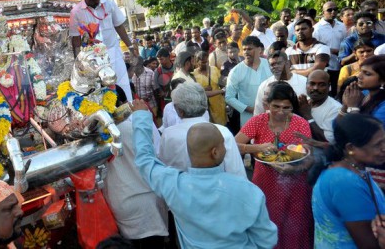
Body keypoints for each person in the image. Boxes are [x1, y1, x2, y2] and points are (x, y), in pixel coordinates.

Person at [133, 100, 277, 249]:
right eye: (223, 144)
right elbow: (266, 239)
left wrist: (141, 117)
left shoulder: (174, 185)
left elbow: (144, 161)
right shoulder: (248, 191)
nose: (226, 148)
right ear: (215, 152)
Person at [236, 82, 314, 249]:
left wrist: (295, 168)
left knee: (294, 228)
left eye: (286, 107)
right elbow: (233, 145)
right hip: (265, 184)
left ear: (292, 106)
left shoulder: (301, 123)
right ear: (267, 105)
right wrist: (257, 147)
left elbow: (309, 157)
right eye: (275, 106)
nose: (280, 112)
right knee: (267, 225)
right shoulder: (258, 121)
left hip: (296, 186)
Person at [103, 87, 168, 248]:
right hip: (148, 200)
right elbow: (157, 155)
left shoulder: (100, 133)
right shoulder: (138, 124)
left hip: (120, 201)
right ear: (125, 104)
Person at [311, 114, 385, 248]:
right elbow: (368, 245)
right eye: (377, 145)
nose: (384, 148)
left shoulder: (354, 170)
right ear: (351, 148)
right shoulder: (345, 182)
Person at [159, 82, 244, 177]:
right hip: (218, 189)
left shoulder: (168, 134)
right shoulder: (222, 132)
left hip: (179, 189)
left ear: (179, 110)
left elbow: (164, 169)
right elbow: (237, 173)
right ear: (205, 106)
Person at [69, 0, 134, 101]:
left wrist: (130, 47)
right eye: (92, 0)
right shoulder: (76, 12)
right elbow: (76, 39)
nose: (95, 2)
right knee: (100, 92)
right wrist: (78, 62)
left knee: (123, 84)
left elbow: (119, 26)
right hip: (93, 60)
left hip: (113, 52)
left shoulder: (109, 4)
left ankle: (129, 116)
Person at [225, 36, 272, 126]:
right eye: (244, 49)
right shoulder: (236, 71)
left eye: (250, 49)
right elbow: (229, 97)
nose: (246, 52)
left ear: (259, 50)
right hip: (249, 118)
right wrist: (249, 109)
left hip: (272, 115)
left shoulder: (269, 65)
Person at [254, 51, 307, 116]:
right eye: (272, 64)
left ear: (288, 63)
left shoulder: (304, 81)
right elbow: (258, 112)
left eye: (279, 63)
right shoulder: (264, 86)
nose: (275, 66)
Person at [297, 70, 342, 144]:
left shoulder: (335, 109)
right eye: (312, 83)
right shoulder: (304, 103)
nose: (315, 88)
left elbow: (328, 141)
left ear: (329, 86)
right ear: (306, 85)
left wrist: (308, 116)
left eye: (321, 84)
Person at [313, 1, 347, 96]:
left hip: (340, 65)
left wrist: (340, 52)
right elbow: (315, 47)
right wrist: (331, 51)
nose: (333, 12)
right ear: (323, 12)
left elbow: (344, 43)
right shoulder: (317, 28)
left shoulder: (342, 26)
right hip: (325, 66)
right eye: (329, 10)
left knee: (338, 91)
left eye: (335, 9)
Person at [193, 51, 226, 125]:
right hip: (204, 106)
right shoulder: (194, 74)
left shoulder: (214, 69)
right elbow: (194, 91)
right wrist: (204, 89)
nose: (206, 64)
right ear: (197, 62)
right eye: (203, 62)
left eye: (207, 61)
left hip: (218, 104)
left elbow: (222, 84)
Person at [154, 48, 175, 114]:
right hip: (165, 99)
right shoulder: (158, 71)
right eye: (158, 60)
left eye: (161, 59)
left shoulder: (177, 67)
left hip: (177, 96)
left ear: (168, 57)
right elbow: (155, 84)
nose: (160, 62)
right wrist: (161, 91)